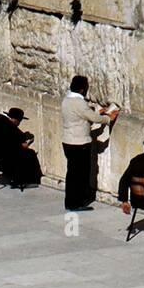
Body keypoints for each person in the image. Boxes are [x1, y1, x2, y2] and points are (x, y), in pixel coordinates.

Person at [61, 74, 118, 210]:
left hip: (68, 141)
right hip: (79, 144)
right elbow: (93, 117)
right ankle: (77, 203)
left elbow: (83, 113)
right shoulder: (79, 102)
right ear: (82, 89)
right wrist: (109, 118)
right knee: (80, 174)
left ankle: (70, 201)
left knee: (72, 173)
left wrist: (99, 111)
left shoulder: (67, 100)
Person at [0, 107, 42, 187]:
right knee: (30, 153)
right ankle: (29, 180)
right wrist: (22, 145)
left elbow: (12, 138)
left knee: (25, 152)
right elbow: (9, 144)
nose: (19, 124)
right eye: (19, 121)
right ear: (16, 120)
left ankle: (12, 176)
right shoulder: (7, 126)